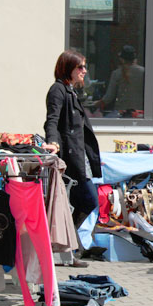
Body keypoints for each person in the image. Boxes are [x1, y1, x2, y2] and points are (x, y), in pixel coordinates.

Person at [43, 50, 102, 267]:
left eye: (85, 67)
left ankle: (68, 248)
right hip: (70, 158)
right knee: (89, 200)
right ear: (68, 68)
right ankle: (68, 247)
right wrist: (53, 142)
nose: (84, 71)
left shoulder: (70, 91)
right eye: (80, 67)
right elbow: (52, 120)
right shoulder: (58, 90)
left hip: (79, 157)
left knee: (82, 202)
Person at [96, 45, 145, 117]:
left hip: (122, 113)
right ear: (135, 59)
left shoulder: (117, 73)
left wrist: (97, 104)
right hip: (141, 113)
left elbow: (109, 97)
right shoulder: (144, 72)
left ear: (122, 59)